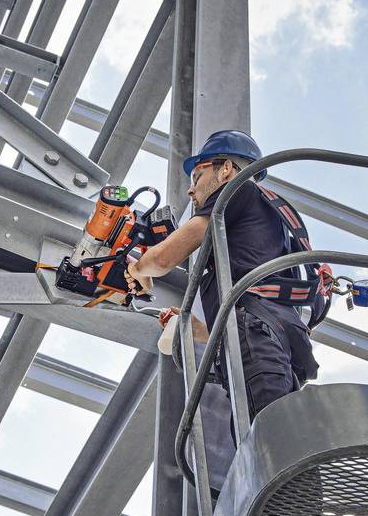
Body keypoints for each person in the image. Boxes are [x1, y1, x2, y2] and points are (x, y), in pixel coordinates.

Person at [125, 129, 325, 426]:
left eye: (197, 177)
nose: (191, 191)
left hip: (258, 338)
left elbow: (164, 258)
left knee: (267, 444)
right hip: (278, 338)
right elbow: (257, 301)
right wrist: (199, 329)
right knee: (276, 442)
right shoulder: (272, 218)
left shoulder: (237, 191)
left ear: (227, 169)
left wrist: (137, 268)